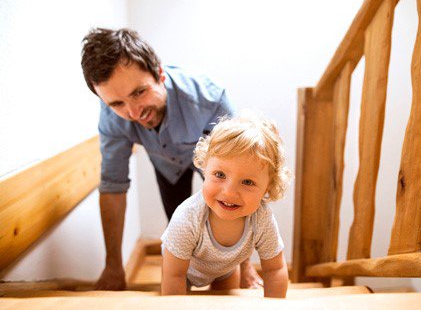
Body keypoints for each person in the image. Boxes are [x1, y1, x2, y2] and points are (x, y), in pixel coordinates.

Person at [81, 28, 262, 290]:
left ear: (160, 74)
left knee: (226, 207)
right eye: (117, 103)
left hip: (216, 158)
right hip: (166, 165)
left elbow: (241, 179)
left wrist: (246, 267)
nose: (133, 112)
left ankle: (233, 271)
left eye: (139, 93)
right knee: (179, 227)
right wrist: (112, 268)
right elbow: (113, 186)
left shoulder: (210, 98)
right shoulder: (111, 118)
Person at [161, 113, 291, 298]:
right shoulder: (188, 216)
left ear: (267, 188)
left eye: (247, 182)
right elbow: (174, 275)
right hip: (182, 270)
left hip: (226, 271)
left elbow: (274, 269)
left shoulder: (262, 218)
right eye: (220, 175)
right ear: (205, 167)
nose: (229, 193)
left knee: (226, 302)